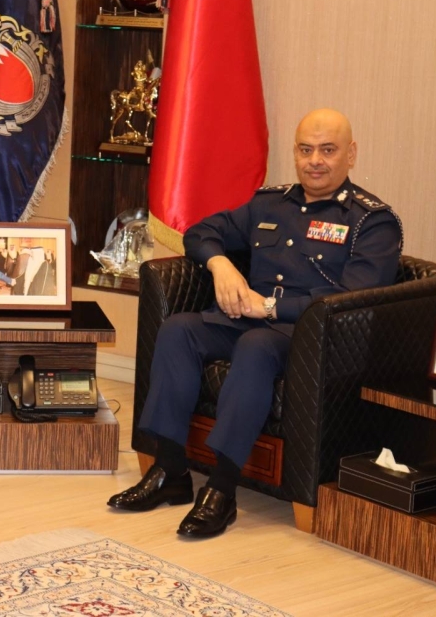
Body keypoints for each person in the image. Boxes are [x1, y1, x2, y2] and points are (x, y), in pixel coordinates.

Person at [108, 109, 403, 539]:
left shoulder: (370, 221)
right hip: (245, 321)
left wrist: (269, 308)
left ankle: (222, 489)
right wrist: (222, 265)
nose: (315, 161)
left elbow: (354, 299)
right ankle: (170, 470)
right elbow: (199, 233)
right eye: (305, 150)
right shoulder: (270, 203)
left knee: (257, 347)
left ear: (351, 154)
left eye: (327, 150)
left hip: (307, 337)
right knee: (179, 331)